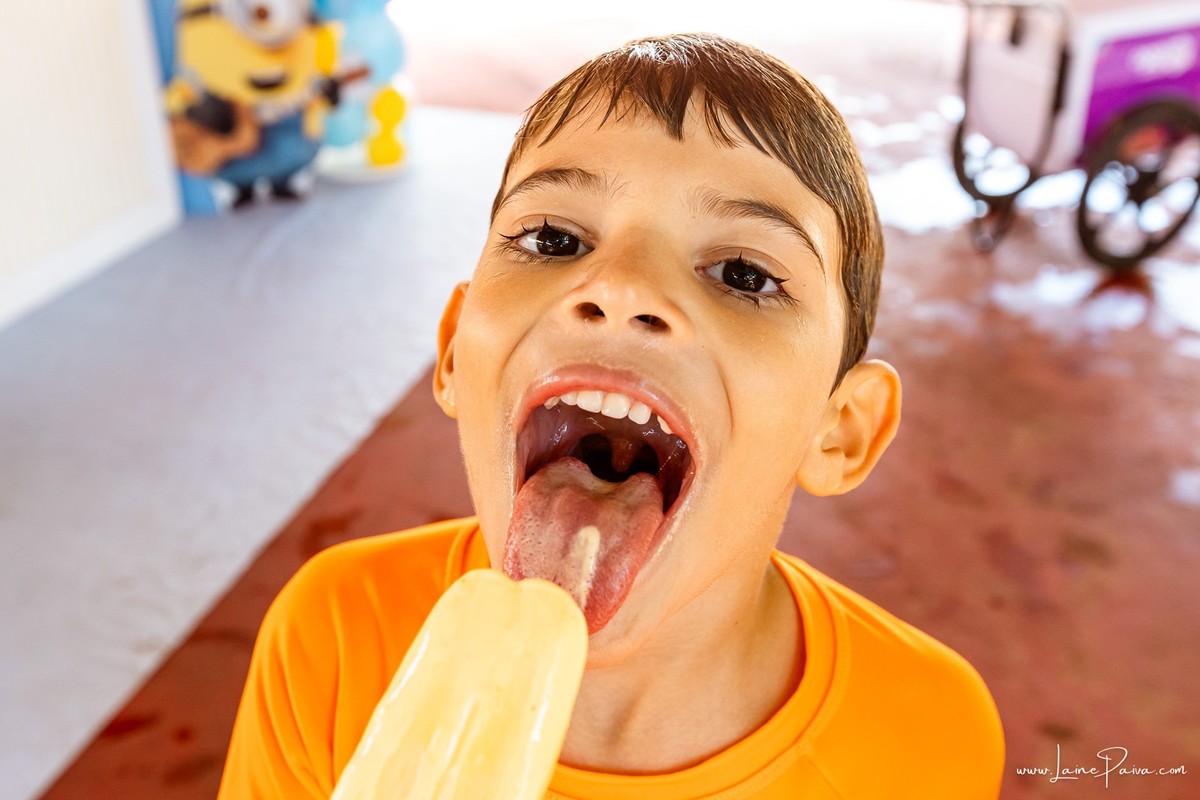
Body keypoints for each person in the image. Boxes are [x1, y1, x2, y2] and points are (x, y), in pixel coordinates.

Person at [218, 32, 1005, 799]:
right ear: (455, 352)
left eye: (742, 273)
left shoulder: (930, 728)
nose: (620, 287)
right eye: (554, 237)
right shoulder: (335, 633)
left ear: (842, 431)